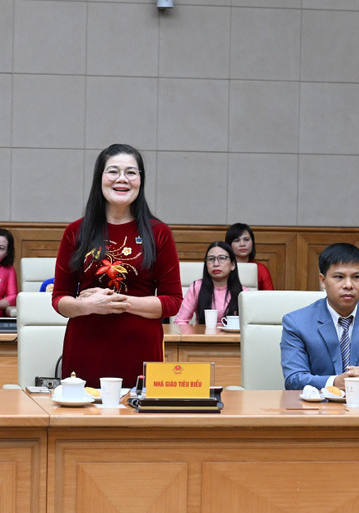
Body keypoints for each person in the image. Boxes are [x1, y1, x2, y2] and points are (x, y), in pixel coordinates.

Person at [52, 144, 183, 385]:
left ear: (140, 180)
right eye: (113, 171)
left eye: (131, 172)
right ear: (99, 178)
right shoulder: (76, 231)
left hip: (141, 349)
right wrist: (89, 306)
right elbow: (60, 299)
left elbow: (172, 302)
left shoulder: (159, 233)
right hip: (86, 346)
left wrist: (115, 303)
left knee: (137, 420)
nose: (122, 179)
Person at [281, 243, 359, 390]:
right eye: (339, 277)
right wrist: (334, 382)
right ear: (323, 280)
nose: (348, 285)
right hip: (316, 408)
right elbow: (294, 379)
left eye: (356, 277)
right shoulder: (296, 323)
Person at [175, 242, 248, 326]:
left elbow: (250, 326)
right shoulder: (197, 287)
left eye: (222, 258)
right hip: (203, 337)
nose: (216, 264)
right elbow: (180, 321)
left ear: (232, 265)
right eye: (211, 259)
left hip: (234, 338)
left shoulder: (244, 293)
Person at [225, 222, 274, 290]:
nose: (242, 244)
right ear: (229, 245)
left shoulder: (261, 269)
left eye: (246, 240)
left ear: (252, 243)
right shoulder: (223, 267)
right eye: (237, 240)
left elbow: (270, 297)